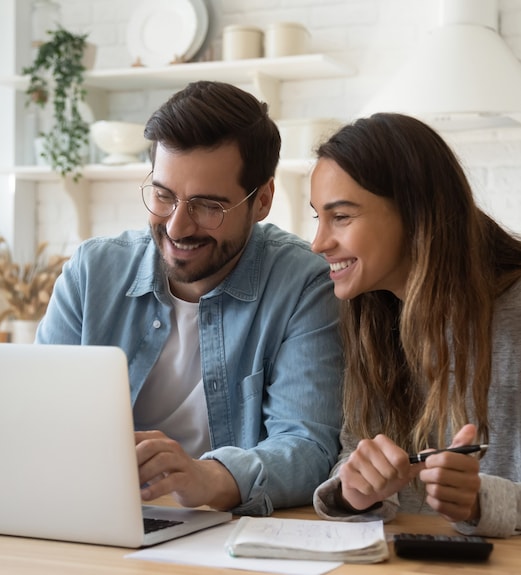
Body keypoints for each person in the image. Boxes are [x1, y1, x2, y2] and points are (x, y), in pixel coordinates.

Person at [36, 81, 343, 516]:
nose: (177, 227)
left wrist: (207, 478)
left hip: (227, 533)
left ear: (263, 201)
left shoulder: (303, 285)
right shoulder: (91, 272)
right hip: (96, 517)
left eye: (207, 206)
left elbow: (308, 447)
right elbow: (36, 420)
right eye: (163, 195)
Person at [310, 112, 521, 538]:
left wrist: (483, 500)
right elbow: (355, 452)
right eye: (318, 217)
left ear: (415, 213)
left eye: (342, 217)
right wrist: (356, 491)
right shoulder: (371, 313)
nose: (318, 243)